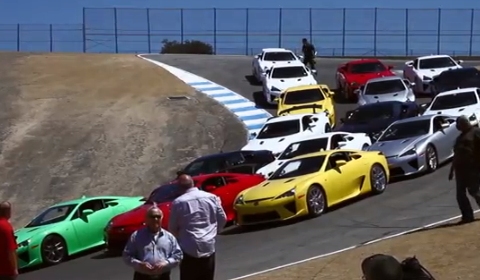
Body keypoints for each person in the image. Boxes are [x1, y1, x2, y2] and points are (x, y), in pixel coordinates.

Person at [168, 174, 227, 280]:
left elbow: (172, 227)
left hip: (188, 247)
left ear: (179, 187)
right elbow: (222, 218)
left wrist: (181, 238)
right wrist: (214, 232)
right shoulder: (211, 197)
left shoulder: (178, 202)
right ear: (192, 183)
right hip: (208, 244)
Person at [123, 206, 183, 280]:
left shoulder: (169, 237)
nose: (155, 219)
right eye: (152, 216)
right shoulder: (136, 236)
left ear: (161, 218)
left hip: (163, 277)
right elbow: (127, 255)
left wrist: (166, 263)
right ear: (146, 219)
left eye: (158, 216)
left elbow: (178, 255)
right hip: (142, 277)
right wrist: (139, 264)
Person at [449, 115, 480, 224]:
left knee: (475, 191)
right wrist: (452, 170)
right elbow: (457, 155)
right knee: (460, 194)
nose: (458, 127)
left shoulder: (476, 133)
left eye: (459, 124)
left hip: (472, 168)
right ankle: (467, 216)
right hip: (460, 170)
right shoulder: (460, 138)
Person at [0, 202, 18, 280]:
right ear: (8, 211)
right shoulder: (6, 226)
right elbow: (11, 250)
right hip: (6, 270)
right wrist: (14, 269)